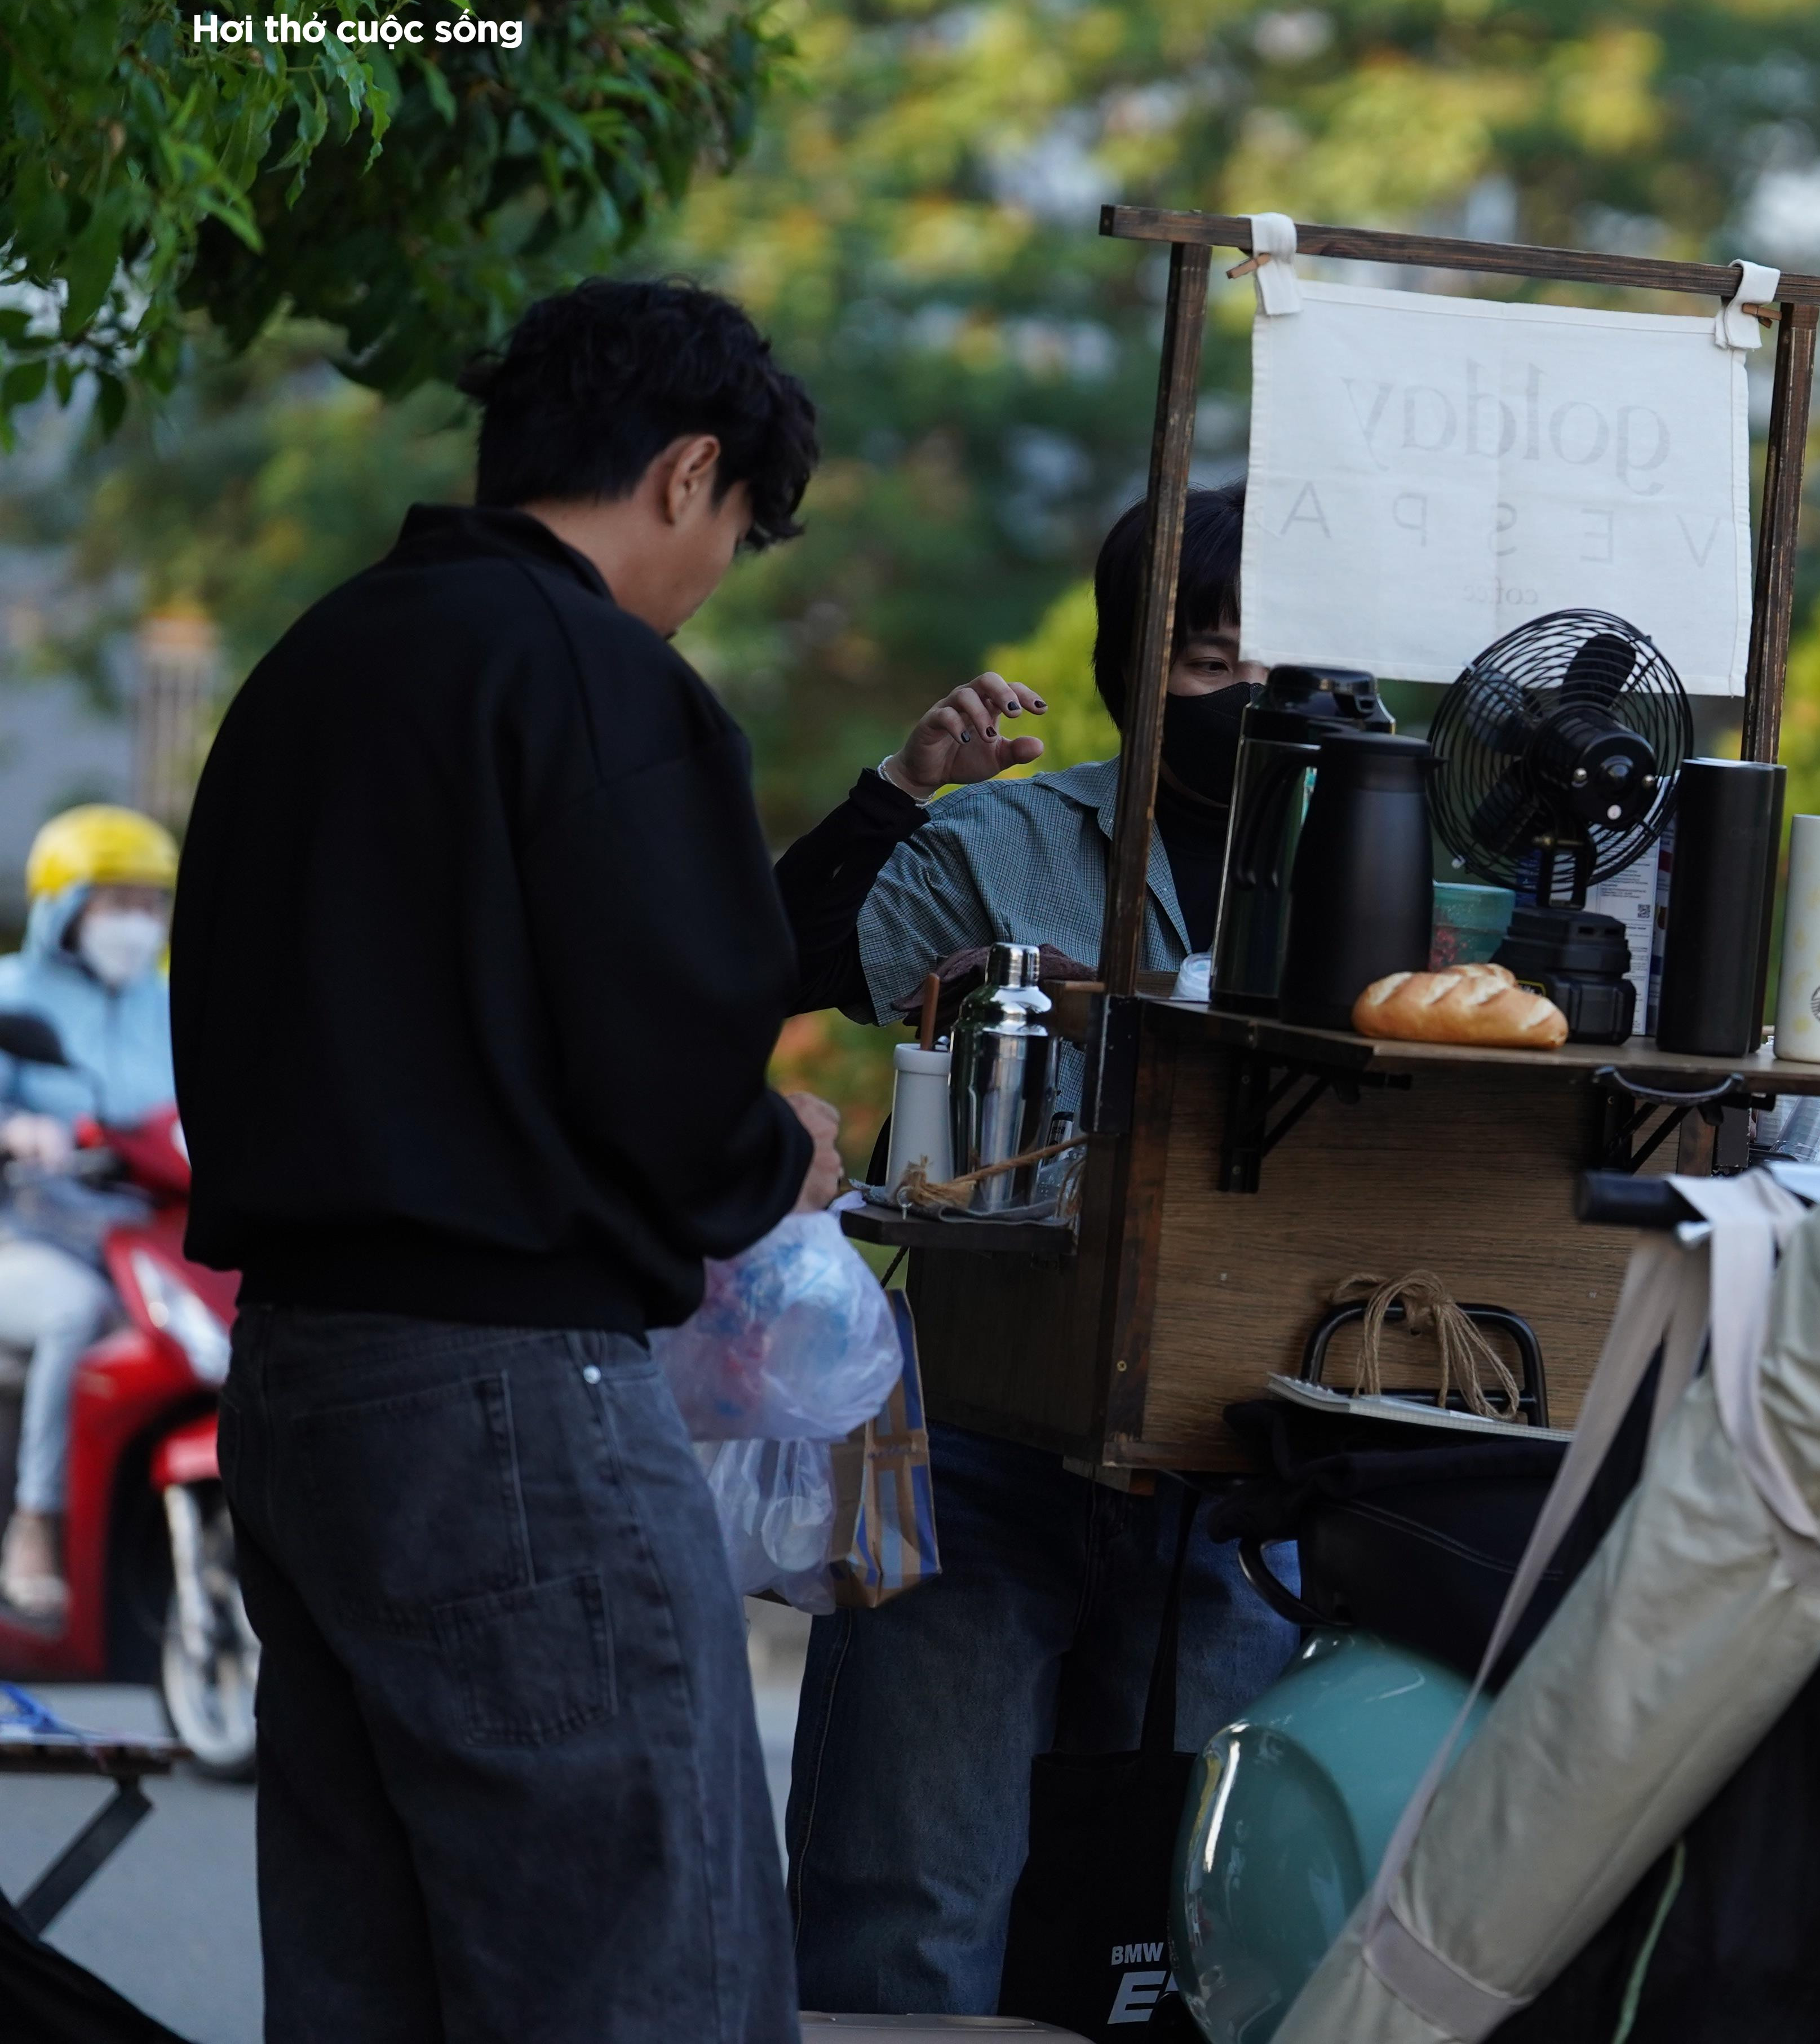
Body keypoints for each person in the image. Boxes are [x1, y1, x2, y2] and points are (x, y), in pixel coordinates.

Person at [170, 277, 1038, 2043]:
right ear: (685, 471)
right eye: (735, 528)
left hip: (305, 1378)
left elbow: (552, 983)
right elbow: (661, 1048)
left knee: (372, 1970)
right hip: (508, 1397)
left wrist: (881, 806)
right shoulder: (595, 673)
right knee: (652, 1971)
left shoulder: (319, 661)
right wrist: (767, 1149)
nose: (717, 568)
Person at [785, 481, 1303, 2015]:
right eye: (1211, 665)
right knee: (910, 1919)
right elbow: (784, 959)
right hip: (981, 1454)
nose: (1251, 701)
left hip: (1230, 1476)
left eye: (1281, 668)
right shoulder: (1004, 838)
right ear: (1128, 669)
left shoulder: (1385, 893)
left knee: (1192, 1943)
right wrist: (897, 789)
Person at [0, 806, 180, 1619]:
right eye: (117, 903)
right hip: (28, 1239)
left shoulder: (168, 1001)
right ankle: (36, 1525)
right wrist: (17, 1129)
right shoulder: (12, 993)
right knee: (77, 1314)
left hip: (146, 1244)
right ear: (63, 908)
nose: (136, 925)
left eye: (150, 904)